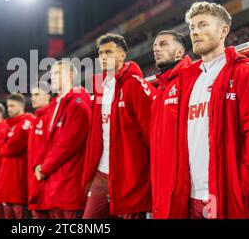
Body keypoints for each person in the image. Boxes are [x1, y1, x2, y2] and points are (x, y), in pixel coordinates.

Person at [174, 1, 249, 218]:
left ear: (223, 30)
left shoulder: (246, 72)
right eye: (192, 27)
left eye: (202, 25)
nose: (195, 32)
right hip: (191, 195)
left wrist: (241, 188)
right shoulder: (189, 81)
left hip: (228, 194)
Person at [82, 33, 154, 219]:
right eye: (100, 53)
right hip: (101, 172)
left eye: (109, 52)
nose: (103, 57)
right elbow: (95, 132)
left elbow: (151, 133)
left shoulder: (134, 85)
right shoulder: (99, 85)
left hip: (128, 173)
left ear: (122, 55)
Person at [34, 60, 92, 219]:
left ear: (71, 75)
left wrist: (44, 168)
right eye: (52, 74)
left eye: (58, 73)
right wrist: (37, 165)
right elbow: (47, 141)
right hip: (54, 182)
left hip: (70, 180)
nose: (53, 77)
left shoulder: (78, 104)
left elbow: (69, 144)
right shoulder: (54, 105)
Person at [150, 30, 192, 219]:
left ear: (179, 52)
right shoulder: (161, 88)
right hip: (162, 184)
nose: (156, 49)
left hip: (184, 187)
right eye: (155, 46)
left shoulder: (190, 79)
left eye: (163, 44)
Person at [0, 93, 35, 219]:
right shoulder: (11, 125)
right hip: (9, 182)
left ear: (21, 106)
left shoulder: (26, 122)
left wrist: (3, 147)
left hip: (19, 182)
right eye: (8, 106)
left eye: (12, 106)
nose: (9, 109)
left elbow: (11, 148)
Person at [28, 82, 52, 219]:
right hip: (34, 181)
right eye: (32, 95)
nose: (32, 98)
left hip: (45, 179)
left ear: (48, 96)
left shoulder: (51, 116)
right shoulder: (35, 119)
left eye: (37, 94)